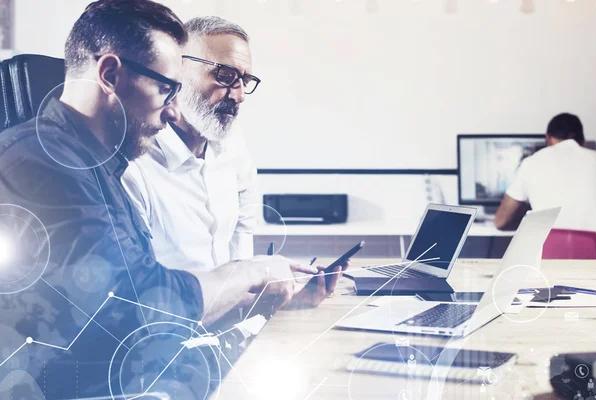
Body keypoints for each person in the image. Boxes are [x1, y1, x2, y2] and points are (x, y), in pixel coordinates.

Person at [0, 2, 344, 398]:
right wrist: (252, 273)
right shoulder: (43, 165)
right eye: (167, 88)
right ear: (110, 74)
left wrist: (262, 298)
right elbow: (138, 306)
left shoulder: (99, 166)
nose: (172, 110)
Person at [122, 16, 260, 273]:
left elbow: (244, 226)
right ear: (176, 71)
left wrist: (261, 296)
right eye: (225, 75)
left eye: (245, 81)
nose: (239, 96)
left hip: (234, 311)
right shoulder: (133, 165)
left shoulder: (233, 144)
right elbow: (137, 289)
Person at [495, 113, 596, 232]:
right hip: (595, 248)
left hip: (550, 249)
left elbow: (500, 222)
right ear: (582, 141)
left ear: (548, 138)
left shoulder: (531, 163)